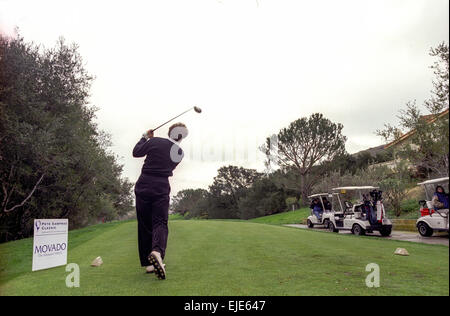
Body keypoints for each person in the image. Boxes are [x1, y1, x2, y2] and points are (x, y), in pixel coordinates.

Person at [133, 122, 187, 280]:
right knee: (160, 223)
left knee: (144, 224)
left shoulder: (154, 141)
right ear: (181, 137)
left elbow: (136, 152)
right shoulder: (179, 152)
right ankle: (157, 252)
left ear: (169, 132)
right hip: (161, 186)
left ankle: (149, 264)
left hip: (143, 183)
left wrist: (145, 138)